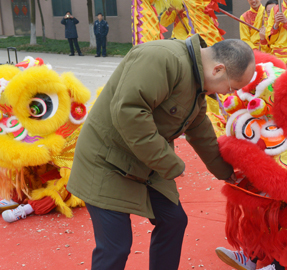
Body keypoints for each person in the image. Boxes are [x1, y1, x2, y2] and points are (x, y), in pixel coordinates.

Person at [66, 34, 255, 270]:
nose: (228, 94)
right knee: (115, 247)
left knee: (173, 221)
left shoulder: (198, 84)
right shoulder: (161, 58)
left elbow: (199, 129)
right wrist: (171, 164)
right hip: (107, 160)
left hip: (145, 161)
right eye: (231, 87)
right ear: (218, 70)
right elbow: (129, 113)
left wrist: (228, 173)